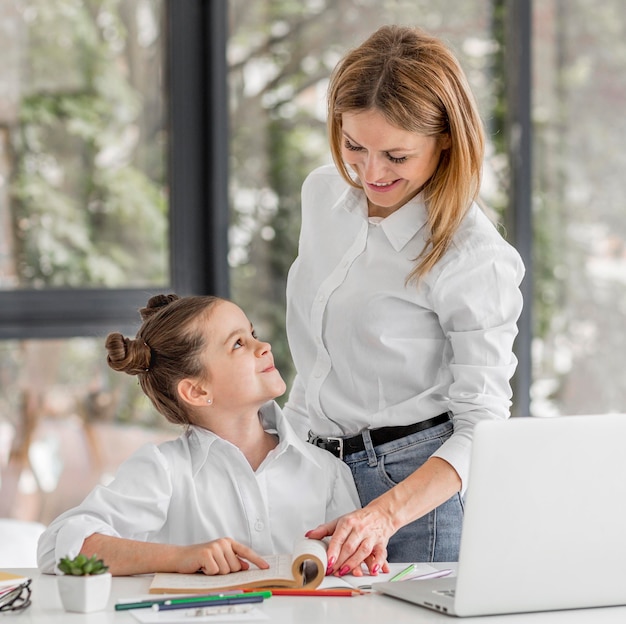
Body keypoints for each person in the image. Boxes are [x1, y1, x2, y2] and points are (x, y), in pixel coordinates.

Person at [283, 25, 525, 577]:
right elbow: (318, 364)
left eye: (396, 155)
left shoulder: (473, 257)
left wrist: (381, 516)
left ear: (445, 141)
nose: (371, 173)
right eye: (354, 146)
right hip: (314, 469)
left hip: (412, 496)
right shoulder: (323, 194)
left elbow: (482, 428)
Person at [37, 294, 359, 576]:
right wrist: (180, 557)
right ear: (196, 390)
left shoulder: (326, 471)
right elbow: (56, 548)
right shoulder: (163, 470)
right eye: (238, 343)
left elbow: (356, 575)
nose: (264, 347)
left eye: (253, 334)